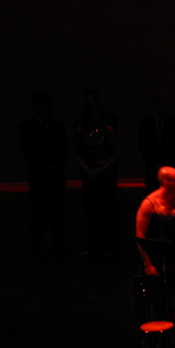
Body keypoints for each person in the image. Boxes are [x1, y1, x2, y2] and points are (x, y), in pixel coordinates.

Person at [135, 167, 175, 320]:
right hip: (158, 257)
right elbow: (140, 236)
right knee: (161, 298)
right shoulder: (149, 204)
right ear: (165, 182)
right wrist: (147, 264)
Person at [18, 90, 68, 255]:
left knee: (55, 211)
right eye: (47, 104)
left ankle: (53, 243)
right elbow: (28, 150)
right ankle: (39, 243)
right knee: (39, 211)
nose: (50, 107)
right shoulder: (28, 126)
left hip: (48, 174)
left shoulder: (56, 125)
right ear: (38, 106)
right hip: (42, 175)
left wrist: (53, 165)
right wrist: (51, 165)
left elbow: (64, 149)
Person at [74, 88, 120, 258]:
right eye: (91, 111)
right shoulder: (81, 130)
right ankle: (94, 244)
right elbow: (78, 153)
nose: (93, 114)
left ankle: (108, 244)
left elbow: (115, 153)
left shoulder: (108, 130)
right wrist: (88, 170)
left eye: (96, 111)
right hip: (90, 174)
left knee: (106, 209)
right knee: (91, 210)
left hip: (104, 174)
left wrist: (100, 169)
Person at [137, 93, 175, 193]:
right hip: (153, 168)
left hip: (172, 165)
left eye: (163, 104)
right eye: (158, 105)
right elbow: (143, 146)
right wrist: (154, 162)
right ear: (153, 107)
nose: (161, 108)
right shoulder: (145, 124)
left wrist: (168, 162)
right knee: (153, 194)